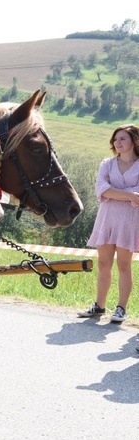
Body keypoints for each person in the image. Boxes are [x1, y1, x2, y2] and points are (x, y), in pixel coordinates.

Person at [78, 124, 139, 323]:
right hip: (106, 219)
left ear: (134, 142)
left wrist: (117, 193)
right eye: (115, 139)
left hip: (128, 222)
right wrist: (129, 194)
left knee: (124, 265)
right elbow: (101, 189)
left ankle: (121, 308)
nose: (117, 142)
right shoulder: (107, 164)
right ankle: (99, 306)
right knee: (103, 263)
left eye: (122, 138)